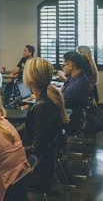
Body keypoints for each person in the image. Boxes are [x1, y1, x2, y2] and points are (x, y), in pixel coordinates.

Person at [22, 57, 69, 189]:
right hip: (45, 166)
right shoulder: (49, 96)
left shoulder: (42, 105)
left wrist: (13, 150)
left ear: (30, 78)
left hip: (36, 171)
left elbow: (36, 148)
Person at [60, 51, 90, 133]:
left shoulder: (75, 85)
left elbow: (59, 103)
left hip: (70, 119)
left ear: (70, 66)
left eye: (63, 65)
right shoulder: (77, 77)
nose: (62, 68)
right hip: (74, 114)